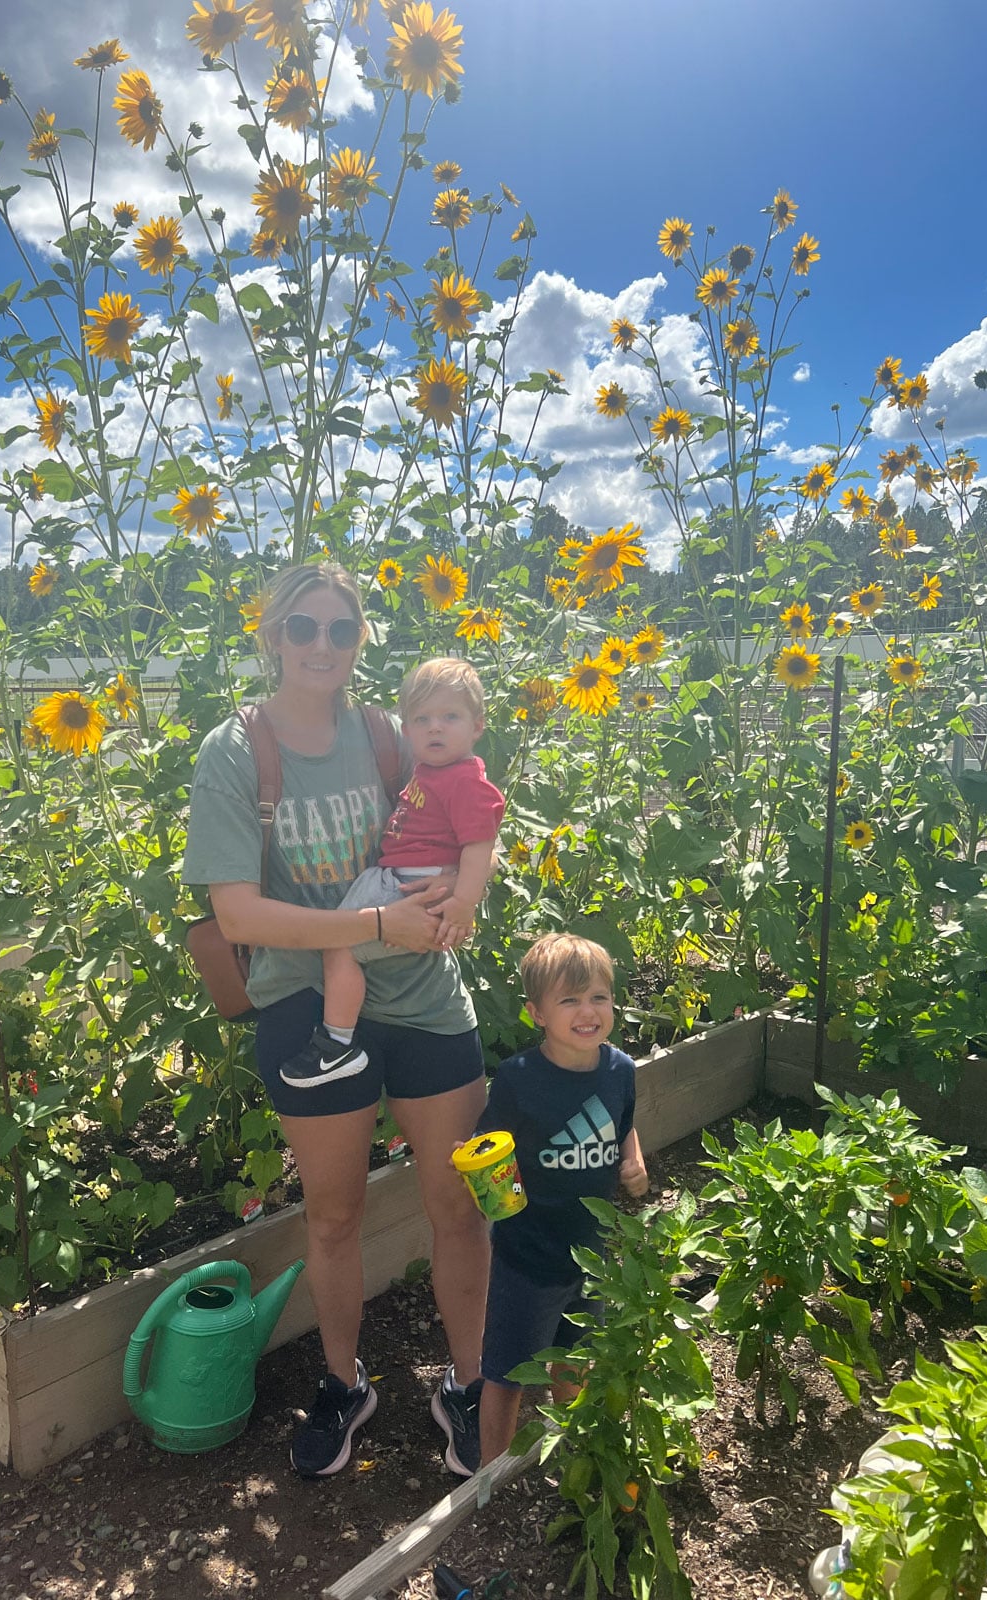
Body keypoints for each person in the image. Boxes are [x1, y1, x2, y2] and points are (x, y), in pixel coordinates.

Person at [182, 562, 491, 1480]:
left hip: (427, 998)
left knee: (458, 1203)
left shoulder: (392, 735)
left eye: (341, 629)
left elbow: (473, 820)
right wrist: (371, 925)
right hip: (310, 1010)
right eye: (304, 627)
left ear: (361, 641)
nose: (323, 645)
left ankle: (470, 1385)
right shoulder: (235, 752)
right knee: (334, 1213)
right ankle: (342, 1380)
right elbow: (237, 914)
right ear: (272, 635)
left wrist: (461, 890)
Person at [466, 932, 649, 1468]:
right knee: (506, 1370)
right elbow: (488, 1146)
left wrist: (632, 1159)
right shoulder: (520, 1080)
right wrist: (477, 1168)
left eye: (599, 997)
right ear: (536, 1013)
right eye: (569, 1000)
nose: (588, 1011)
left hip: (591, 1252)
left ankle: (577, 1447)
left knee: (577, 1357)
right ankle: (491, 1473)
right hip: (528, 1255)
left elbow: (623, 1126)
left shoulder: (619, 1070)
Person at [280, 657, 505, 1089]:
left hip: (411, 885)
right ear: (406, 728)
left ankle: (337, 1044)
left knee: (339, 945)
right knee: (340, 939)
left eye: (449, 717)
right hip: (396, 876)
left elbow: (480, 846)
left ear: (477, 726)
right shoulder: (433, 770)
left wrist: (461, 903)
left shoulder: (465, 782)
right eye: (421, 719)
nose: (434, 728)